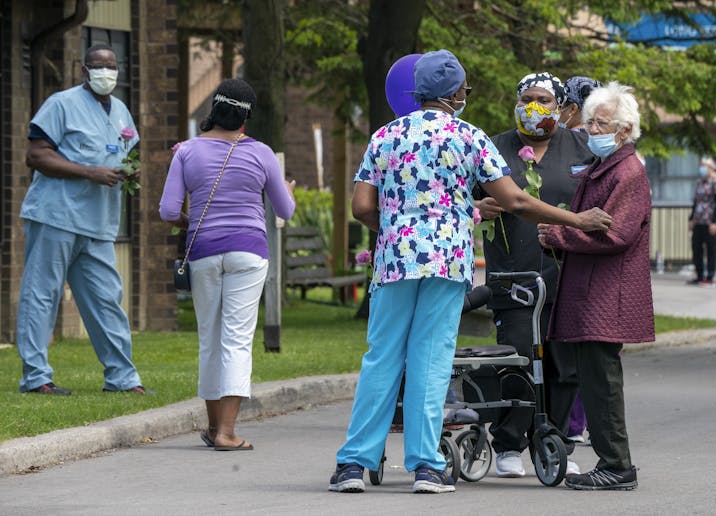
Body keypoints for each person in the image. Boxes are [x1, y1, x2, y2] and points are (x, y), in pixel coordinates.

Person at [329, 50, 611, 495]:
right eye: (465, 90)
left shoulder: (384, 136)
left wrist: (403, 227)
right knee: (430, 358)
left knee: (381, 357)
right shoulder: (468, 138)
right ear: (457, 93)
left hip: (394, 261)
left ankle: (351, 465)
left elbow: (362, 207)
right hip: (444, 262)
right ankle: (425, 466)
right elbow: (516, 201)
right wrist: (577, 220)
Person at [159, 78, 296, 451]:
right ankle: (227, 433)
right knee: (236, 340)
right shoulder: (262, 153)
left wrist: (195, 220)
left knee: (210, 339)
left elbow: (169, 211)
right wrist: (291, 192)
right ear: (246, 118)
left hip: (203, 251)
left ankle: (212, 426)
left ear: (214, 110)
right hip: (249, 253)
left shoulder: (186, 152)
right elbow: (284, 210)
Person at [476, 72, 594, 478]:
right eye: (527, 98)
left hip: (569, 276)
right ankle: (508, 443)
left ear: (561, 107)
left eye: (544, 99)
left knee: (566, 365)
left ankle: (555, 442)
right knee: (517, 359)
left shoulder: (581, 146)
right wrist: (479, 206)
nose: (534, 106)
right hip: (514, 273)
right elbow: (462, 195)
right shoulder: (493, 146)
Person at [537, 81, 652, 490]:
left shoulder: (628, 171)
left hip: (607, 293)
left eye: (601, 124)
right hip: (593, 291)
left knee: (601, 382)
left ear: (624, 130)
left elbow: (617, 234)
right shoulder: (607, 166)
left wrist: (559, 235)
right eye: (589, 123)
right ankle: (612, 462)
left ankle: (617, 465)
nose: (591, 131)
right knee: (593, 379)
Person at [17, 44, 147, 395]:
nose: (106, 73)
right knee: (42, 295)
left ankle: (122, 378)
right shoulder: (61, 104)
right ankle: (36, 378)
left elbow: (128, 154)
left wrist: (130, 173)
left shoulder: (120, 111)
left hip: (99, 222)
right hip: (56, 215)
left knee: (106, 299)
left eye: (111, 66)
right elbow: (36, 155)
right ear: (84, 70)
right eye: (98, 67)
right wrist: (89, 172)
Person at [562, 75, 603, 445]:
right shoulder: (597, 148)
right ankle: (581, 422)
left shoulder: (578, 145)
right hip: (580, 251)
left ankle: (574, 423)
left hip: (575, 247)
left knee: (575, 341)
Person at [688, 156, 716, 286]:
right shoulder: (700, 182)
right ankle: (699, 275)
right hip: (699, 220)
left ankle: (710, 277)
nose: (701, 168)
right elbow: (695, 201)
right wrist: (691, 219)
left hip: (711, 221)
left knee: (711, 249)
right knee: (696, 247)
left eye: (704, 166)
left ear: (711, 167)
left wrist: (714, 222)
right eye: (701, 165)